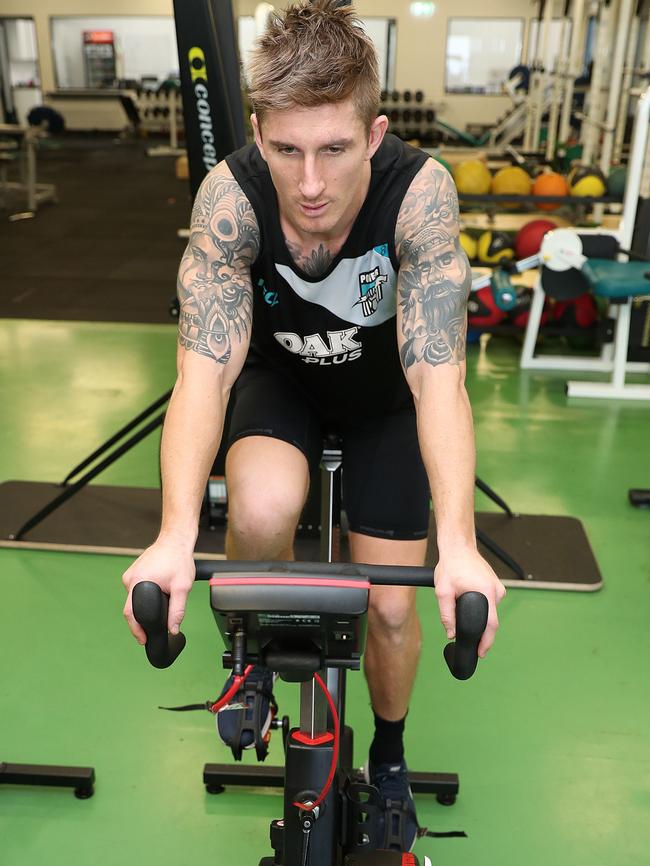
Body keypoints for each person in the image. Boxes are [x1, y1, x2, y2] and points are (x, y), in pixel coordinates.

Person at [122, 0, 506, 852]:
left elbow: (439, 377)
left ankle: (393, 759)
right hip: (280, 385)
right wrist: (175, 534)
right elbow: (202, 372)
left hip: (385, 403)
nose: (310, 184)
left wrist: (461, 542)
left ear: (372, 135)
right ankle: (258, 659)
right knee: (258, 509)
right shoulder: (232, 197)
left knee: (394, 613)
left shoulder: (420, 196)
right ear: (259, 131)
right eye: (288, 149)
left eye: (334, 149)